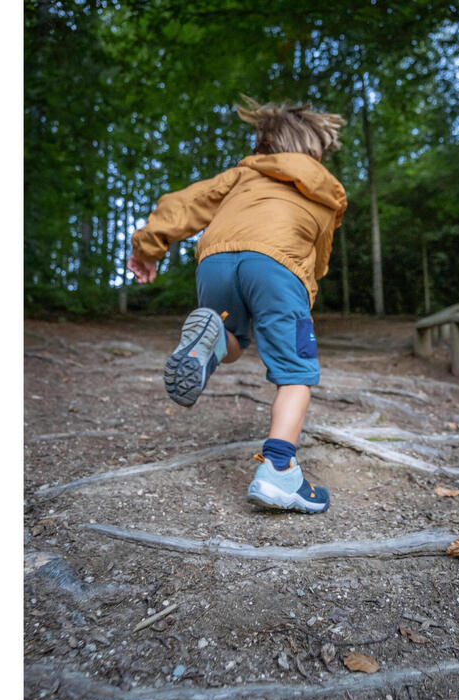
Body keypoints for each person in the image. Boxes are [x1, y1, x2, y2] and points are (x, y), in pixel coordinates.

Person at [127, 96, 347, 514]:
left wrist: (148, 248)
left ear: (264, 145)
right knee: (295, 371)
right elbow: (320, 254)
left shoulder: (244, 174)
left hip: (216, 260)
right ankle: (279, 470)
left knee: (232, 342)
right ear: (315, 150)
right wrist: (306, 292)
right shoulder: (323, 188)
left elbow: (185, 204)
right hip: (278, 267)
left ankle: (209, 335)